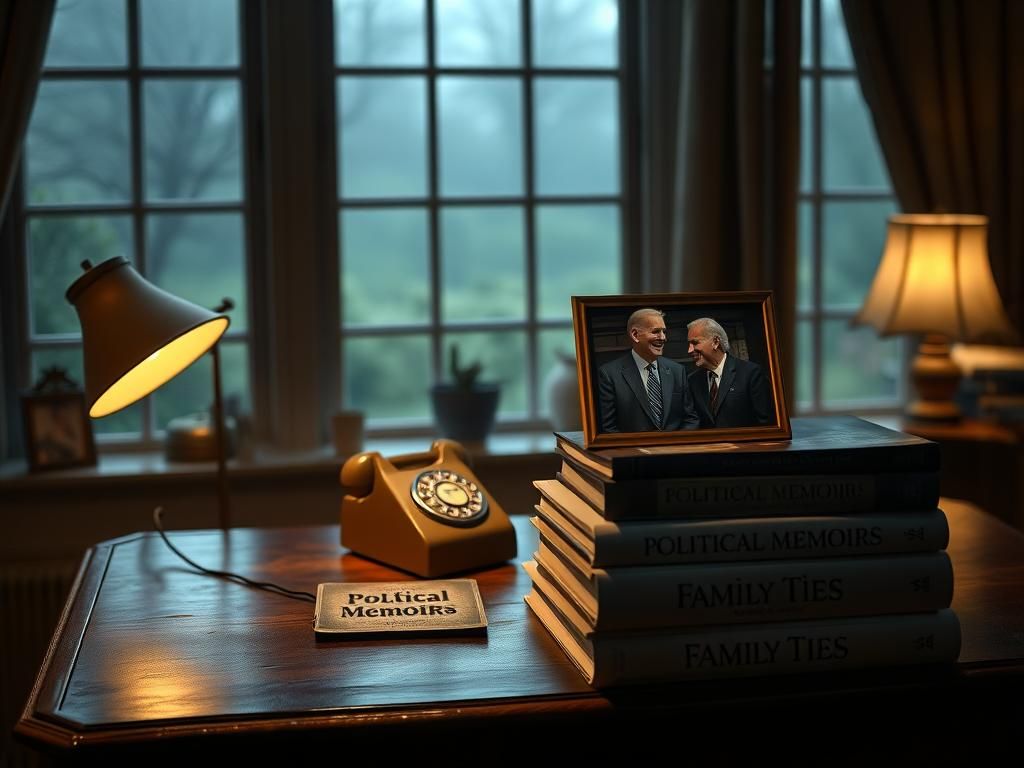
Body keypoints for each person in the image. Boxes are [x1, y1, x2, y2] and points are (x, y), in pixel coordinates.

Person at [597, 308, 699, 433]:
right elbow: (608, 428)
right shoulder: (609, 374)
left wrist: (675, 446)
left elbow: (691, 419)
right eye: (656, 331)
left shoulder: (677, 371)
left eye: (664, 332)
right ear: (635, 335)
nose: (663, 338)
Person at [686, 317, 772, 428]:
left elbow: (766, 424)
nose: (689, 350)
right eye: (689, 344)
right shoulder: (693, 381)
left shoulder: (751, 374)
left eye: (695, 343)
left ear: (715, 342)